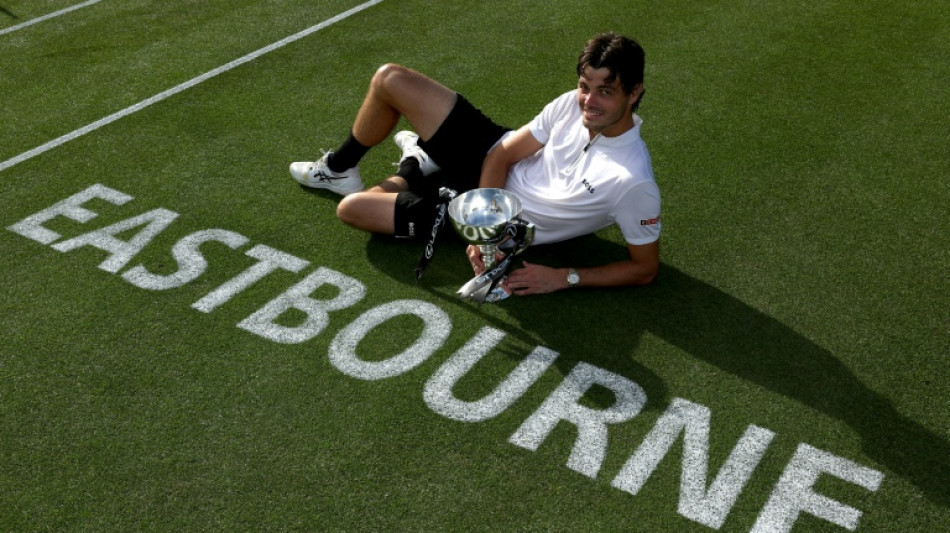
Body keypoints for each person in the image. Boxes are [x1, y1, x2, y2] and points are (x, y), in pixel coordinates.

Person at [289, 32, 660, 295]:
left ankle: (415, 165)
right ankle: (339, 167)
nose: (588, 101)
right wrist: (485, 221)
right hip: (489, 178)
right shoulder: (570, 103)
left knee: (353, 209)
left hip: (507, 220)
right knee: (390, 79)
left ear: (635, 92)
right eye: (585, 85)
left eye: (606, 91)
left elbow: (644, 269)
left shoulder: (632, 181)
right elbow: (503, 153)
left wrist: (565, 277)